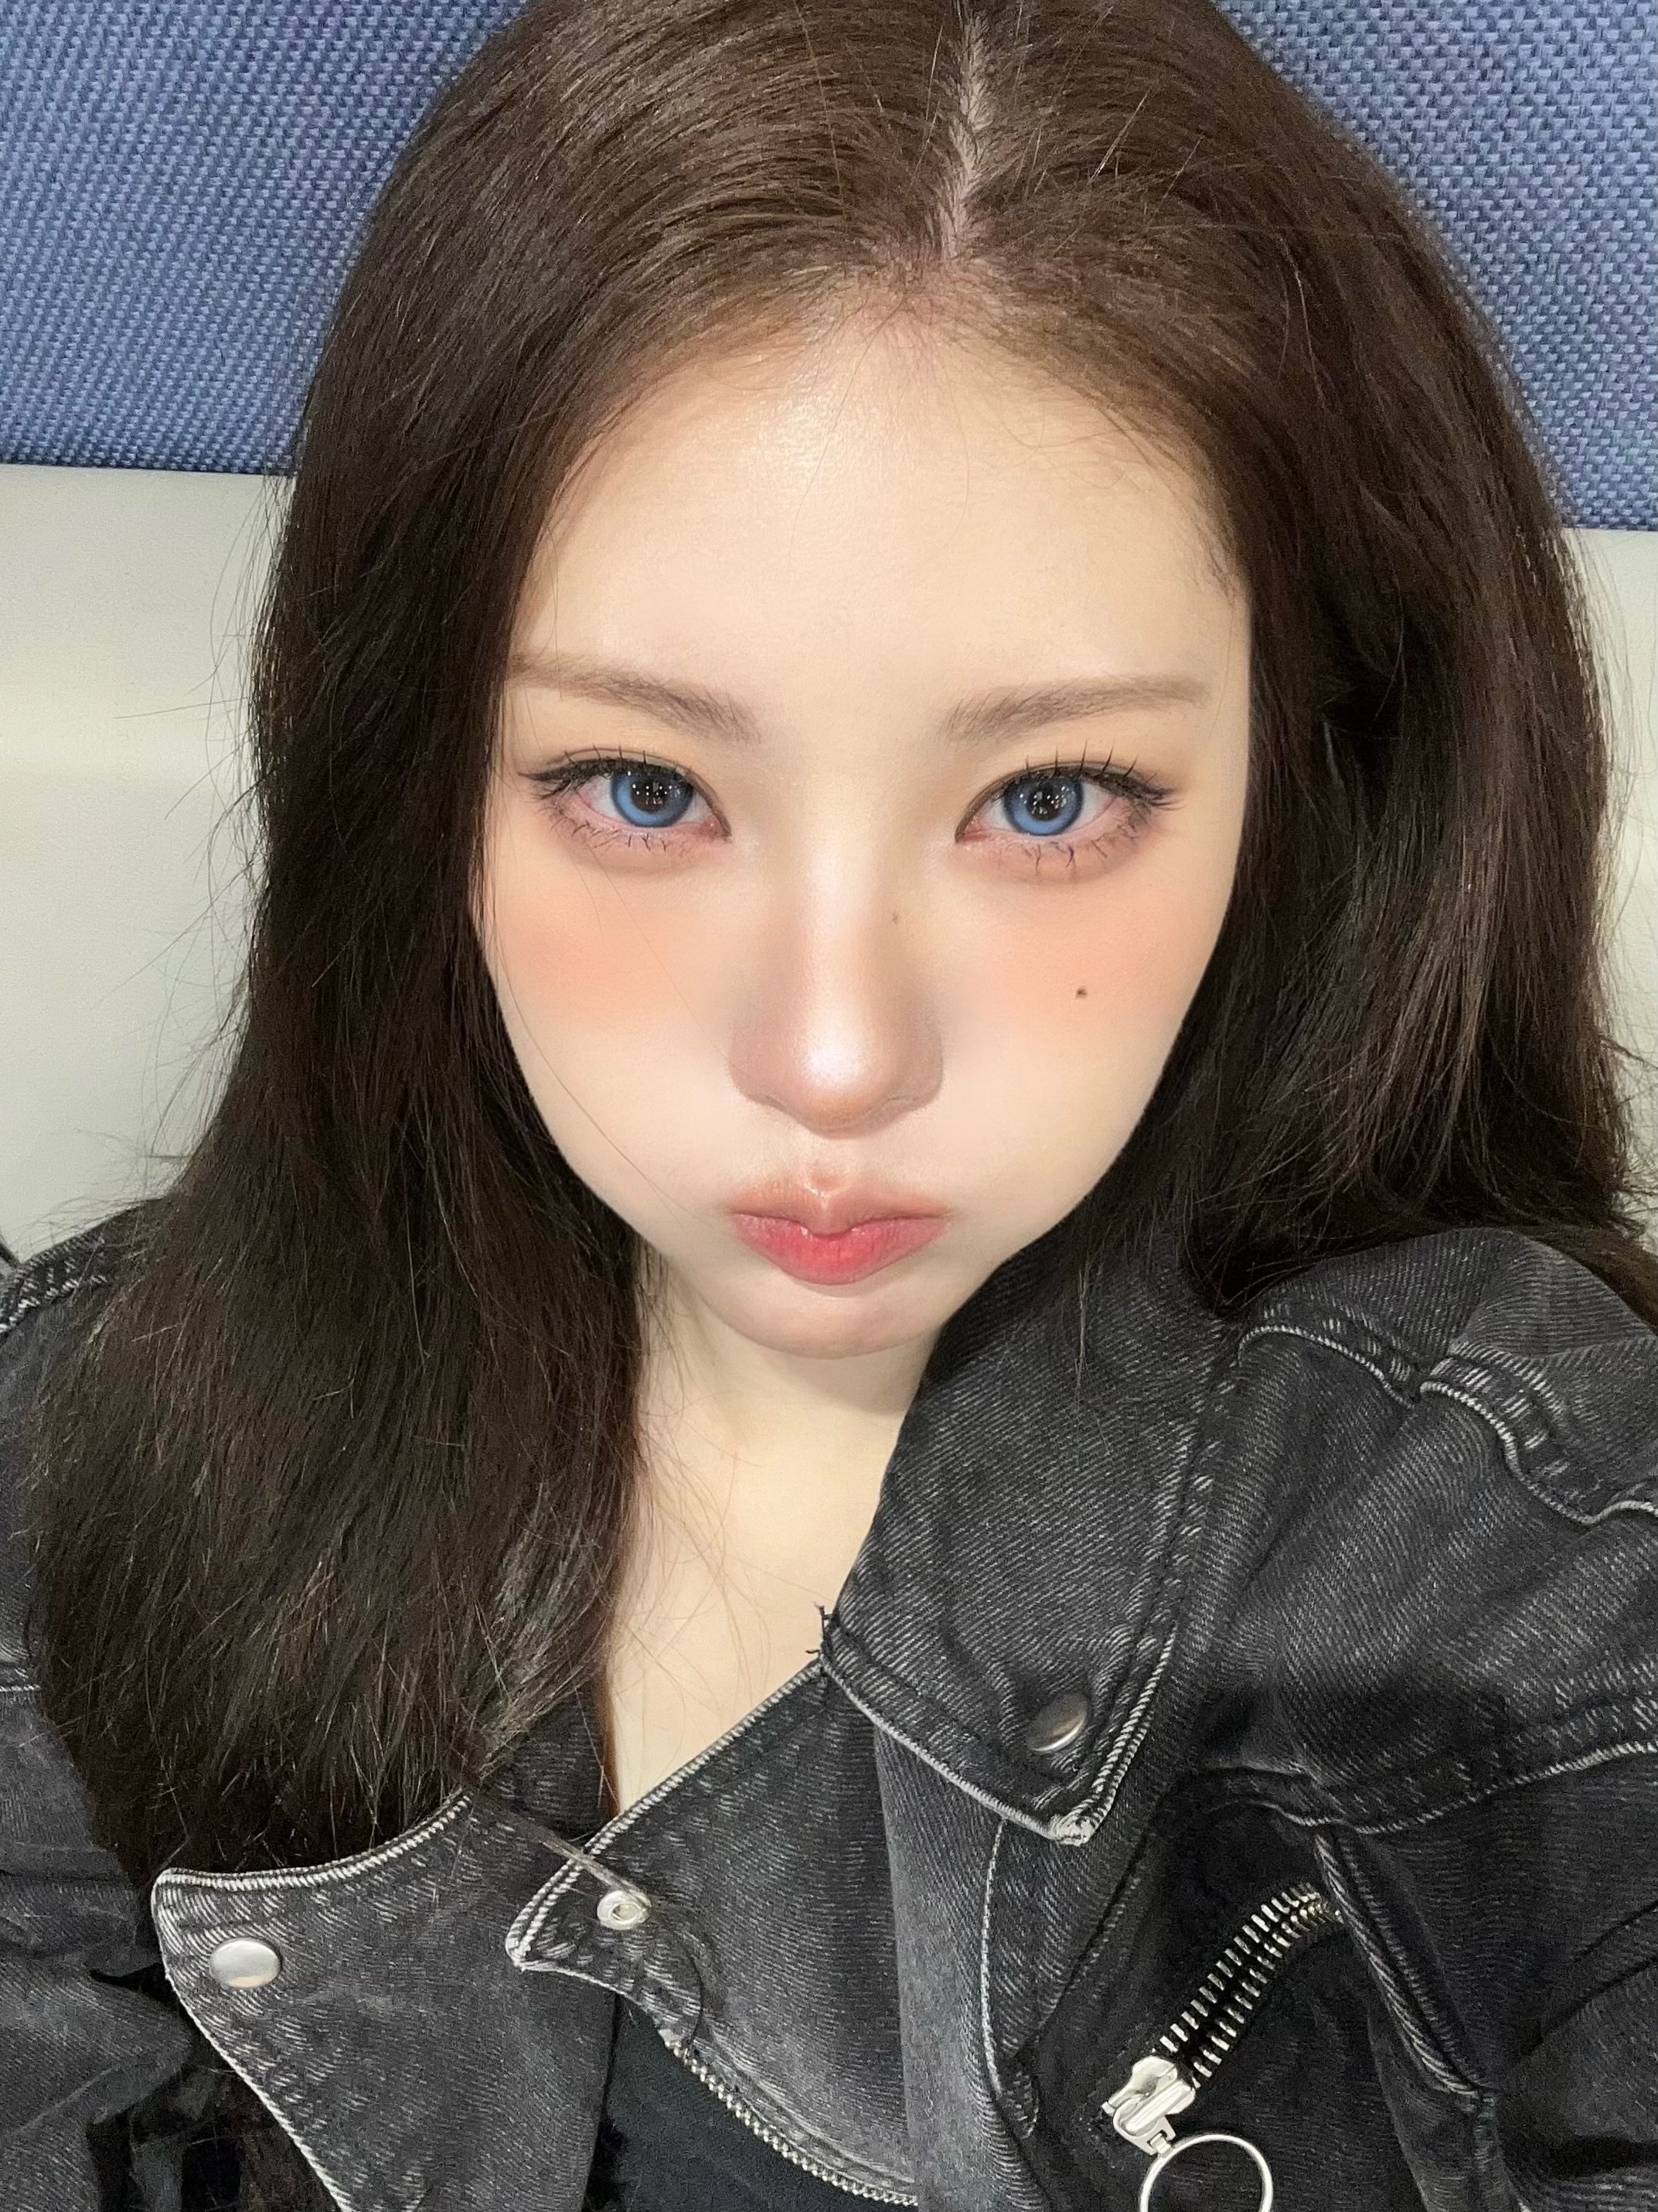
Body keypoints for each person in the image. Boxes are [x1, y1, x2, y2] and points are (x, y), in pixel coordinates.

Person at [2, 0, 1654, 2206]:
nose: (835, 1056)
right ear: (421, 786)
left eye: (1050, 798)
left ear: (1307, 782)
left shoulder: (1477, 1539)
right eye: (642, 788)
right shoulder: (88, 1449)